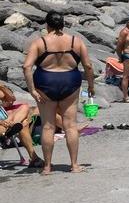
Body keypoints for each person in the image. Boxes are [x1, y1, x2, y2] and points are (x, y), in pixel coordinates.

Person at [23, 11, 95, 175]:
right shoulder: (75, 41)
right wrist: (91, 86)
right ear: (63, 25)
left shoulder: (40, 42)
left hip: (45, 83)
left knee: (48, 126)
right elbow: (88, 66)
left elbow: (26, 67)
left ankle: (47, 167)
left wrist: (32, 89)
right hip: (70, 82)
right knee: (70, 126)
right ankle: (74, 165)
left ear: (47, 25)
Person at [0, 81, 43, 169]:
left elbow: (11, 99)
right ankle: (34, 158)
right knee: (22, 125)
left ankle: (13, 126)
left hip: (5, 120)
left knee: (24, 107)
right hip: (2, 123)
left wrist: (2, 86)